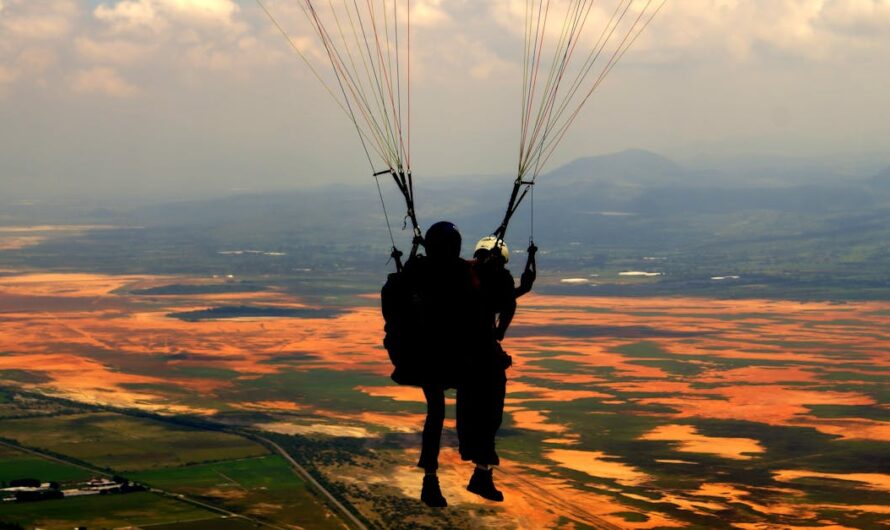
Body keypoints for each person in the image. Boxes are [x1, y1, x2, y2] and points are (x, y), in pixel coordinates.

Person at [384, 221, 486, 507]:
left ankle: (430, 477)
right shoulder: (463, 273)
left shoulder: (416, 271)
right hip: (451, 358)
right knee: (475, 401)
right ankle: (481, 468)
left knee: (436, 413)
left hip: (422, 358)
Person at [457, 236, 536, 502]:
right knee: (489, 414)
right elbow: (505, 300)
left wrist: (523, 283)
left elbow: (507, 296)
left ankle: (481, 473)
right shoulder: (483, 290)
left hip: (461, 360)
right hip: (481, 360)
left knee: (472, 413)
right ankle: (481, 475)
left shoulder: (463, 281)